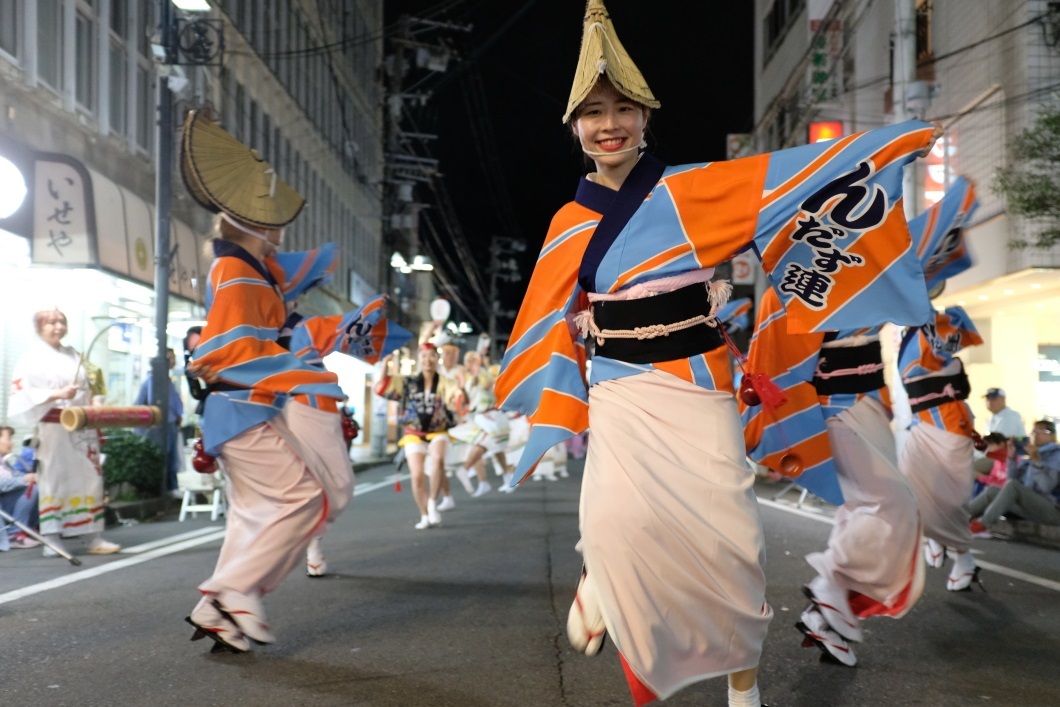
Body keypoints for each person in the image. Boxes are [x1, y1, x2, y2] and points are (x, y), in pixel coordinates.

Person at [495, 3, 939, 703]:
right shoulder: (567, 221)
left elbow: (797, 179)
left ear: (646, 115)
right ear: (575, 129)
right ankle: (605, 577)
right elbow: (549, 321)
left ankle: (743, 682)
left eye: (623, 108)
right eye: (593, 113)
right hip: (620, 387)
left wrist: (890, 144)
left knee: (731, 541)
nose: (609, 124)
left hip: (699, 383)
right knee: (613, 520)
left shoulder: (694, 188)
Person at [179, 110, 354, 653]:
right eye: (272, 219)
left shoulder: (249, 270)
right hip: (242, 409)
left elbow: (253, 338)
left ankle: (217, 607)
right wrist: (292, 365)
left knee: (256, 515)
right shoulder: (237, 272)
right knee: (302, 498)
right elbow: (224, 351)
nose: (280, 228)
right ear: (254, 224)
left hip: (240, 412)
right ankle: (232, 591)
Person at [8, 309, 121, 557]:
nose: (58, 326)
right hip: (53, 428)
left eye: (62, 322)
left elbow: (93, 384)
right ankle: (52, 537)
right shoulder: (31, 357)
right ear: (39, 326)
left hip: (82, 425)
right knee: (54, 480)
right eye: (52, 322)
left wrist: (96, 402)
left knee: (91, 477)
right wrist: (56, 394)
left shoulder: (73, 355)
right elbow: (23, 392)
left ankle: (93, 535)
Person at [375, 344, 458, 529]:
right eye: (424, 356)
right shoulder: (408, 381)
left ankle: (432, 501)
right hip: (413, 432)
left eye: (432, 356)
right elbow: (381, 389)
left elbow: (456, 397)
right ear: (419, 359)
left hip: (438, 431)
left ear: (437, 359)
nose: (428, 360)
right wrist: (385, 366)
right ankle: (424, 515)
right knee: (417, 474)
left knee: (437, 460)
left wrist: (460, 397)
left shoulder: (446, 382)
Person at [967, 420, 1060, 533]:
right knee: (992, 490)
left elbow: (1046, 487)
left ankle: (983, 524)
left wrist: (1037, 462)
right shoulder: (1034, 454)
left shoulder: (1056, 455)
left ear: (1051, 435)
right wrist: (1011, 458)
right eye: (1033, 431)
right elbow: (1012, 480)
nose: (1035, 435)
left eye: (1040, 431)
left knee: (1013, 485)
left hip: (1050, 511)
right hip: (1029, 506)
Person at [449, 350, 510, 497]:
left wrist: (478, 376)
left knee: (493, 445)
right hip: (473, 418)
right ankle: (484, 481)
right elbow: (461, 400)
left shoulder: (484, 374)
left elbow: (487, 386)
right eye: (467, 360)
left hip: (488, 416)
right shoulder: (464, 378)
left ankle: (468, 469)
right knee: (486, 445)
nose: (469, 363)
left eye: (472, 360)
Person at [134, 348, 184, 499]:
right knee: (165, 456)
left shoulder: (166, 380)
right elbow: (142, 403)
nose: (173, 361)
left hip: (170, 423)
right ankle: (167, 487)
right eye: (169, 358)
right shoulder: (153, 380)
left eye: (173, 357)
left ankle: (171, 486)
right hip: (160, 425)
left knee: (171, 457)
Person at [0, 425, 41, 550]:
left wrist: (32, 477)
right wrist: (25, 479)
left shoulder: (5, 463)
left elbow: (19, 476)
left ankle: (27, 528)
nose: (11, 443)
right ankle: (15, 533)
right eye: (8, 439)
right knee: (30, 489)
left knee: (37, 485)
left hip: (7, 504)